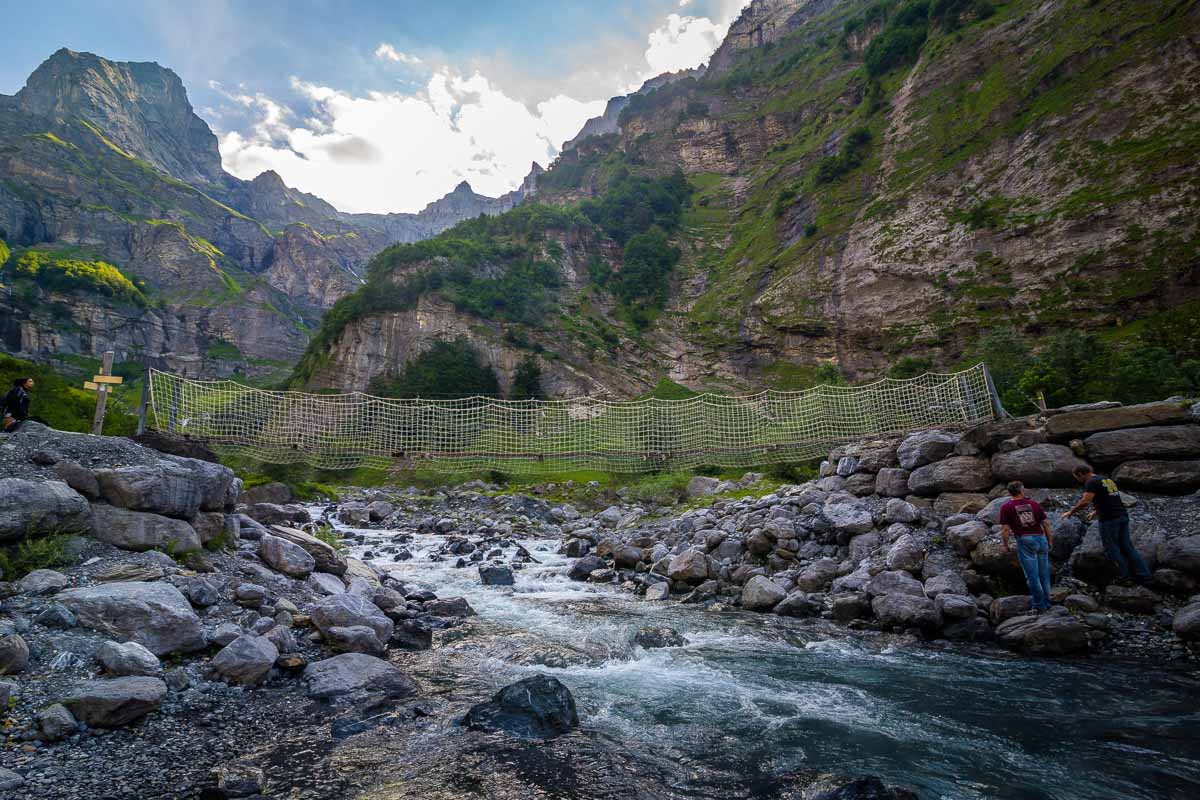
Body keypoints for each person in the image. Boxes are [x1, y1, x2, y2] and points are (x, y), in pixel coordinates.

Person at [1064, 464, 1151, 585]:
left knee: (1112, 549)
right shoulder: (1106, 479)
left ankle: (1124, 577)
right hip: (1122, 515)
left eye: (1077, 477)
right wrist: (1096, 511)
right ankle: (1145, 575)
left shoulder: (1091, 482)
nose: (1077, 480)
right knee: (1127, 547)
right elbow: (1110, 498)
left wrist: (1071, 512)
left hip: (1109, 520)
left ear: (1081, 474)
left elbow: (1085, 501)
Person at [999, 480, 1055, 613]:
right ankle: (1047, 602)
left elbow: (1005, 529)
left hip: (1025, 541)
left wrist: (1005, 545)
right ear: (1022, 491)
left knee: (1032, 576)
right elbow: (1046, 524)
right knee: (1044, 574)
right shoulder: (1034, 504)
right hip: (1040, 538)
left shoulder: (1006, 507)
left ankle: (1038, 605)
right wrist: (1050, 541)